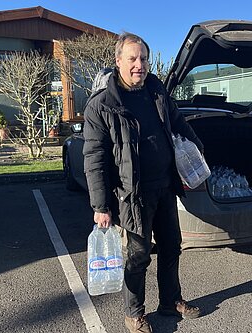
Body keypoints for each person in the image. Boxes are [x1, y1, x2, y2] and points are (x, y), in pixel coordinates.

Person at [83, 32, 203, 333]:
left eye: (144, 58)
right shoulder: (102, 105)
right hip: (131, 194)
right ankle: (134, 313)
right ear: (118, 61)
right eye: (133, 58)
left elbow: (179, 125)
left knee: (172, 246)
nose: (140, 65)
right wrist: (100, 205)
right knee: (138, 256)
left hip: (164, 186)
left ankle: (170, 301)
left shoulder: (157, 91)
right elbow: (94, 158)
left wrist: (198, 154)